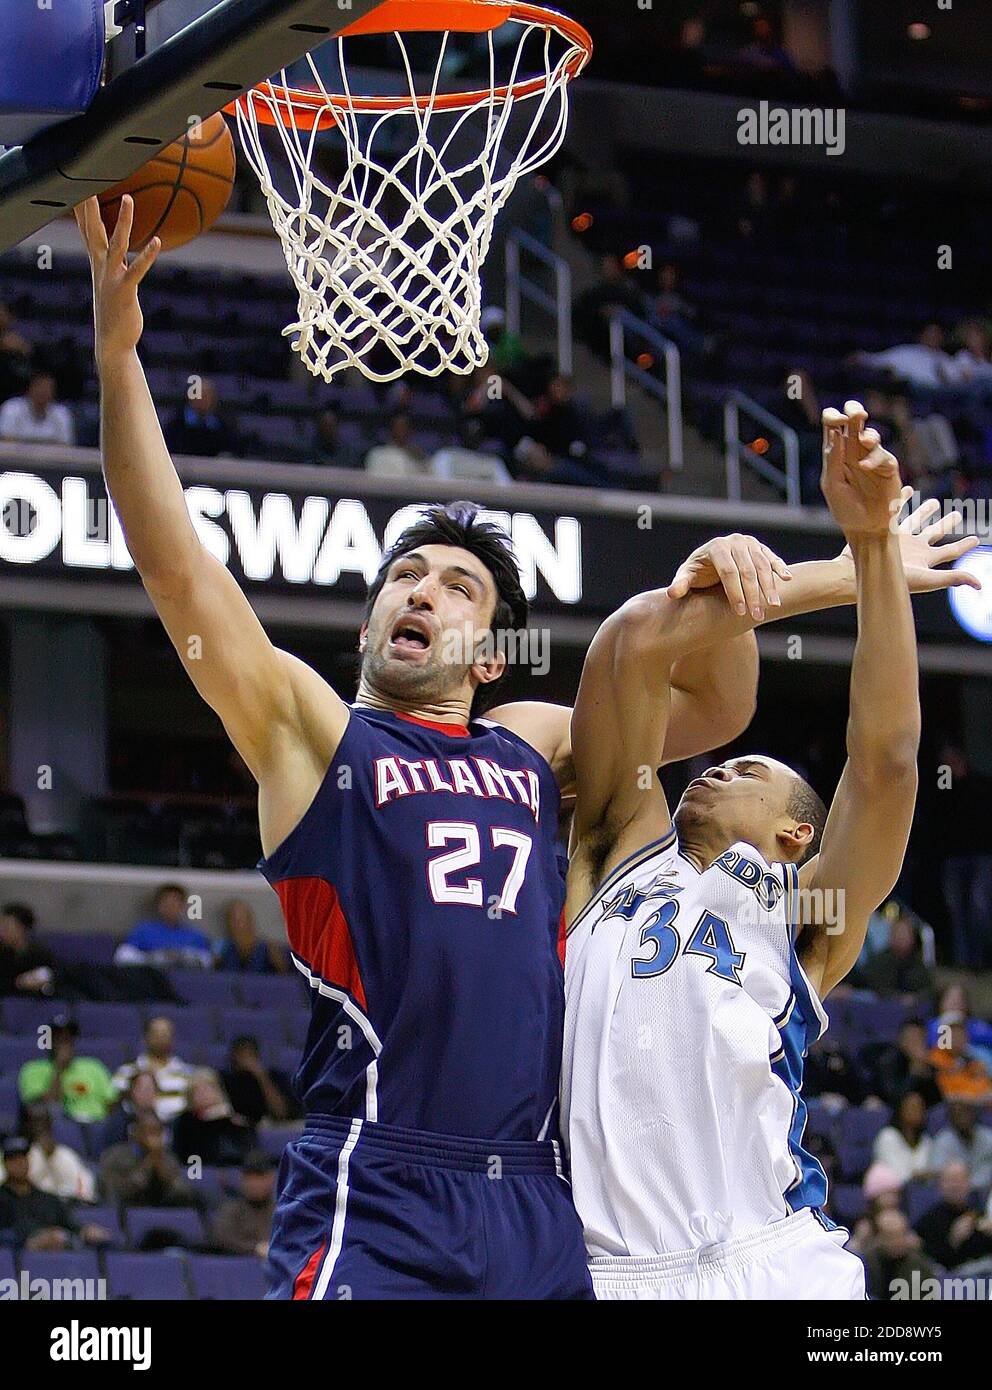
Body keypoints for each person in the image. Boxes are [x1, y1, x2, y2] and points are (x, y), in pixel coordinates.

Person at [72, 195, 976, 1300]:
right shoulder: (316, 738)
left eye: (457, 585)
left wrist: (833, 567)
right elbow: (178, 573)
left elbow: (693, 691)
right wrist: (120, 356)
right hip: (385, 1179)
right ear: (367, 627)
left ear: (489, 649)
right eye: (403, 578)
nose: (423, 590)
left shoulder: (528, 747)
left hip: (540, 1206)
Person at [561, 400, 938, 1300]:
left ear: (796, 832)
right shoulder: (610, 850)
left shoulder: (804, 915)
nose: (713, 767)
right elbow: (629, 653)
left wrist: (876, 549)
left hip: (774, 1260)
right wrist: (726, 564)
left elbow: (884, 762)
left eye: (747, 767)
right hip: (606, 1275)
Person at [0, 1136, 107, 1250]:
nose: (19, 1163)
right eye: (13, 1159)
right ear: (5, 1164)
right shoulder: (2, 1198)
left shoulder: (48, 1198)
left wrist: (85, 1231)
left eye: (22, 1158)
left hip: (57, 1257)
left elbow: (71, 1225)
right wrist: (28, 1241)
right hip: (20, 1261)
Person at [18, 1014, 116, 1124]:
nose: (64, 1043)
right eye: (58, 1038)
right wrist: (59, 1068)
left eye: (68, 1038)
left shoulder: (93, 1066)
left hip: (97, 1124)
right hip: (61, 1126)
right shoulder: (33, 1069)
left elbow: (112, 1103)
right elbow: (44, 1107)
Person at [98, 1114, 194, 1208]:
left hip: (164, 1211)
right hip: (130, 1211)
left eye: (157, 1132)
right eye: (149, 1131)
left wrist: (161, 1168)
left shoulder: (168, 1158)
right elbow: (114, 1193)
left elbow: (182, 1193)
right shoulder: (116, 1156)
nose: (154, 1138)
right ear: (135, 1132)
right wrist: (149, 1162)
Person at [112, 1017, 194, 1124]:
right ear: (146, 1037)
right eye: (156, 1033)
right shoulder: (126, 1072)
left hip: (179, 1131)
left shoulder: (189, 1074)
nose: (160, 1038)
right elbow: (114, 1106)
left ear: (173, 1038)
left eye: (165, 1034)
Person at [915, 1161, 992, 1271]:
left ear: (969, 1184)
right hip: (953, 1281)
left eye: (961, 1180)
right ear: (940, 1185)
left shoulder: (979, 1214)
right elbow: (933, 1260)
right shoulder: (929, 1220)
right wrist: (953, 1240)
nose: (956, 1186)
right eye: (951, 1180)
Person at [116, 883, 212, 969]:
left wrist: (183, 957)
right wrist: (153, 959)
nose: (171, 907)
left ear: (183, 906)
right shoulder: (143, 930)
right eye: (167, 903)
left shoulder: (195, 934)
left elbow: (207, 961)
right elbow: (123, 957)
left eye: (175, 903)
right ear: (159, 905)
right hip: (150, 980)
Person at [12, 1106, 97, 1203]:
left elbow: (83, 1182)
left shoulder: (64, 1154)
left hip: (64, 1207)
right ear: (25, 1125)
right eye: (34, 1122)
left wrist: (52, 1157)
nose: (39, 1128)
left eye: (44, 1123)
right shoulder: (12, 1157)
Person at [171, 1071, 254, 1167]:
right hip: (195, 1171)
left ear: (218, 1092)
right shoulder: (184, 1122)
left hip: (229, 1170)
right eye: (197, 1091)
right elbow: (185, 1154)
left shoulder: (231, 1119)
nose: (203, 1094)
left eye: (207, 1089)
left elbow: (242, 1151)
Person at [211, 1150, 277, 1258]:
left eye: (259, 1176)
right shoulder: (232, 1209)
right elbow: (221, 1238)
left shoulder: (282, 1211)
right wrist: (256, 1248)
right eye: (249, 1177)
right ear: (242, 1179)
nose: (254, 1183)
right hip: (237, 1269)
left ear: (271, 1178)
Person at [863, 1208, 938, 1301]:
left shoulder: (918, 1265)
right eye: (891, 1236)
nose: (897, 1241)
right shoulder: (867, 1262)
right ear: (879, 1237)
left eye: (901, 1234)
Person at [221, 1036, 296, 1126]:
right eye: (241, 1055)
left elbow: (281, 1113)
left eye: (249, 1055)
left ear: (257, 1056)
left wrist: (261, 1076)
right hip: (237, 1130)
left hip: (271, 1127)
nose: (245, 1060)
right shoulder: (224, 1080)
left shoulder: (275, 1077)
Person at [860, 914, 934, 1003]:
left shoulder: (918, 963)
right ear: (891, 936)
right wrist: (899, 998)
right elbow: (875, 987)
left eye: (906, 934)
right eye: (899, 933)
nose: (902, 938)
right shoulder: (879, 961)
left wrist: (914, 998)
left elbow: (928, 989)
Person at [164, 377, 240, 458]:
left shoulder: (223, 425)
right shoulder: (175, 425)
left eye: (208, 396)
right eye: (201, 395)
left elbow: (230, 451)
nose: (204, 400)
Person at [872, 1092, 935, 1187]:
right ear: (900, 1110)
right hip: (891, 1194)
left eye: (920, 1108)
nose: (917, 1111)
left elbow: (931, 1178)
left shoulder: (927, 1142)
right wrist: (921, 1176)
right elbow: (897, 1177)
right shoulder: (887, 1137)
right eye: (912, 1107)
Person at [927, 1012, 992, 1103]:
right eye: (951, 1033)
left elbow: (987, 1087)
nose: (956, 1037)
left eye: (960, 1032)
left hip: (979, 1109)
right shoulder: (934, 1060)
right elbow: (945, 1094)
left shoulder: (973, 1059)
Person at [0, 370, 74, 446]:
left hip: (50, 457)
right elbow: (5, 440)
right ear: (30, 389)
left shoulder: (62, 413)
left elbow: (66, 444)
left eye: (47, 388)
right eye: (39, 387)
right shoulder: (12, 408)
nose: (43, 391)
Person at [931, 1100, 992, 1190]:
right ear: (951, 1118)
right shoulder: (943, 1140)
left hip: (986, 1194)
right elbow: (937, 1174)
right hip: (955, 1196)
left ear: (974, 1114)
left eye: (967, 1112)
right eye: (958, 1114)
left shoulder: (988, 1137)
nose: (963, 1118)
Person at [214, 900, 288, 975]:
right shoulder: (225, 950)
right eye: (232, 920)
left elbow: (286, 979)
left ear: (250, 922)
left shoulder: (267, 950)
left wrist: (280, 965)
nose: (236, 926)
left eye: (240, 921)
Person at [0, 902, 56, 998]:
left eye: (7, 927)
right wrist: (18, 983)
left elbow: (51, 984)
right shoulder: (3, 954)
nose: (2, 931)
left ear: (22, 929)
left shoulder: (40, 955)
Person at [363, 412, 429, 478]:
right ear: (391, 429)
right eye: (399, 426)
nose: (402, 430)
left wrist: (420, 460)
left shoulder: (419, 456)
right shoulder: (377, 454)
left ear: (411, 430)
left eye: (405, 426)